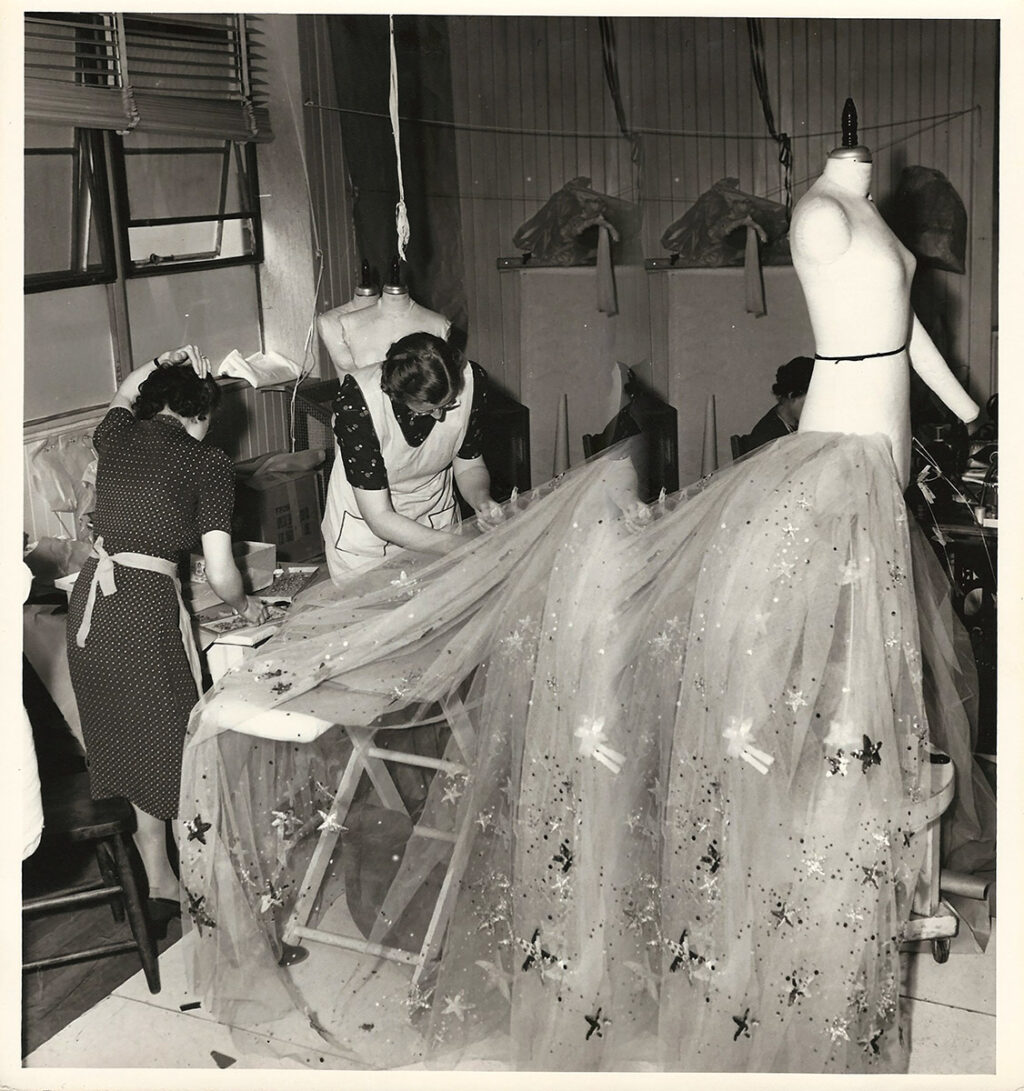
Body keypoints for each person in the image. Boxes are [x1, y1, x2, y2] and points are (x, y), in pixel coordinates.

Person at [66, 346, 268, 918]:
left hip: (92, 609)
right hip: (141, 613)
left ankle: (159, 881)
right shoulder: (206, 463)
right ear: (201, 415)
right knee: (182, 754)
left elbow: (125, 391)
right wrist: (248, 606)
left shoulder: (118, 435)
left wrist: (161, 359)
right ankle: (215, 903)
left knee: (133, 748)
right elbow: (224, 573)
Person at [322, 330, 502, 584]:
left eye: (448, 405)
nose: (440, 416)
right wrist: (457, 545)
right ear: (399, 396)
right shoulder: (358, 403)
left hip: (434, 515)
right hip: (368, 529)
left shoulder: (473, 381)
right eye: (428, 409)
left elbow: (468, 463)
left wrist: (481, 499)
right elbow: (380, 517)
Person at [745, 355, 814, 451]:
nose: (814, 410)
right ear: (792, 395)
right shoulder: (767, 436)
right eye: (810, 403)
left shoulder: (794, 424)